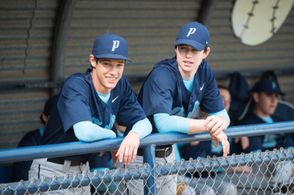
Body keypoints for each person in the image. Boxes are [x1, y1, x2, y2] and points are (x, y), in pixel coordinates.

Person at [28, 33, 152, 194]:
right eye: (107, 64)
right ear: (93, 60)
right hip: (52, 169)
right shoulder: (76, 85)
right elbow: (84, 132)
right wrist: (114, 139)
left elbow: (145, 123)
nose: (113, 72)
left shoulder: (121, 86)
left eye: (119, 65)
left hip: (82, 170)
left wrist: (134, 135)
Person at [137, 21, 231, 195]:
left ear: (206, 52)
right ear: (175, 49)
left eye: (194, 50)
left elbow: (222, 115)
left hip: (168, 154)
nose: (188, 55)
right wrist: (209, 126)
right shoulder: (163, 74)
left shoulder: (204, 72)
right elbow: (163, 123)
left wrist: (220, 125)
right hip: (139, 156)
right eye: (183, 49)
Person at [12, 95, 58, 182]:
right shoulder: (30, 141)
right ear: (45, 117)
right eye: (56, 118)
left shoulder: (73, 138)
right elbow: (22, 179)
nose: (61, 122)